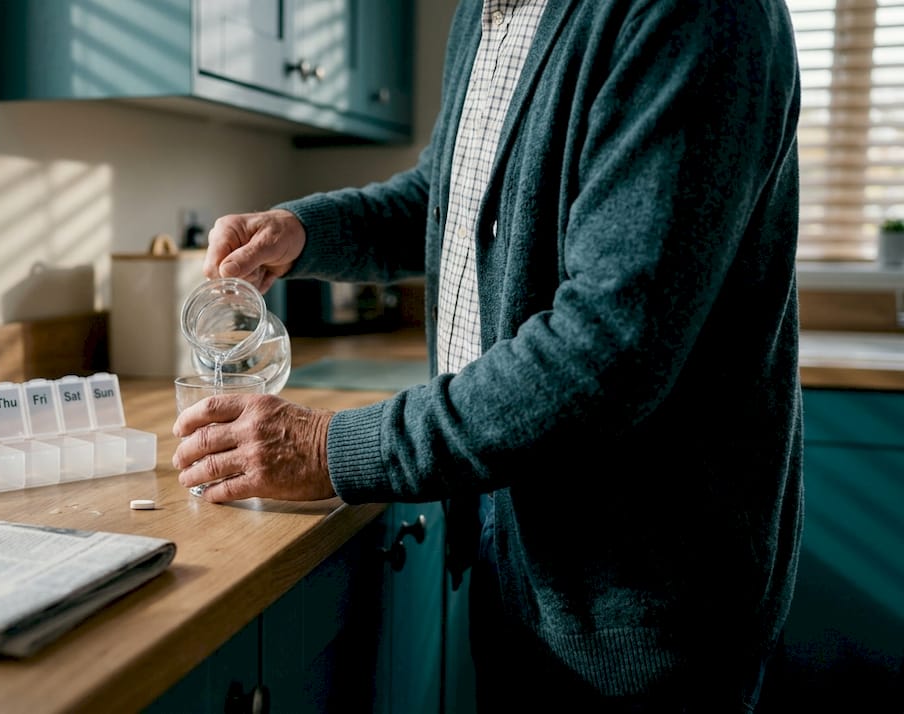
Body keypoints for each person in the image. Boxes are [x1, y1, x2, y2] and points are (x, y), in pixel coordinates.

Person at [172, 0, 803, 711]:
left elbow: (608, 349)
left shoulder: (687, 18)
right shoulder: (487, 12)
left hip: (640, 599)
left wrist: (329, 448)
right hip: (517, 547)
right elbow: (448, 198)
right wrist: (301, 230)